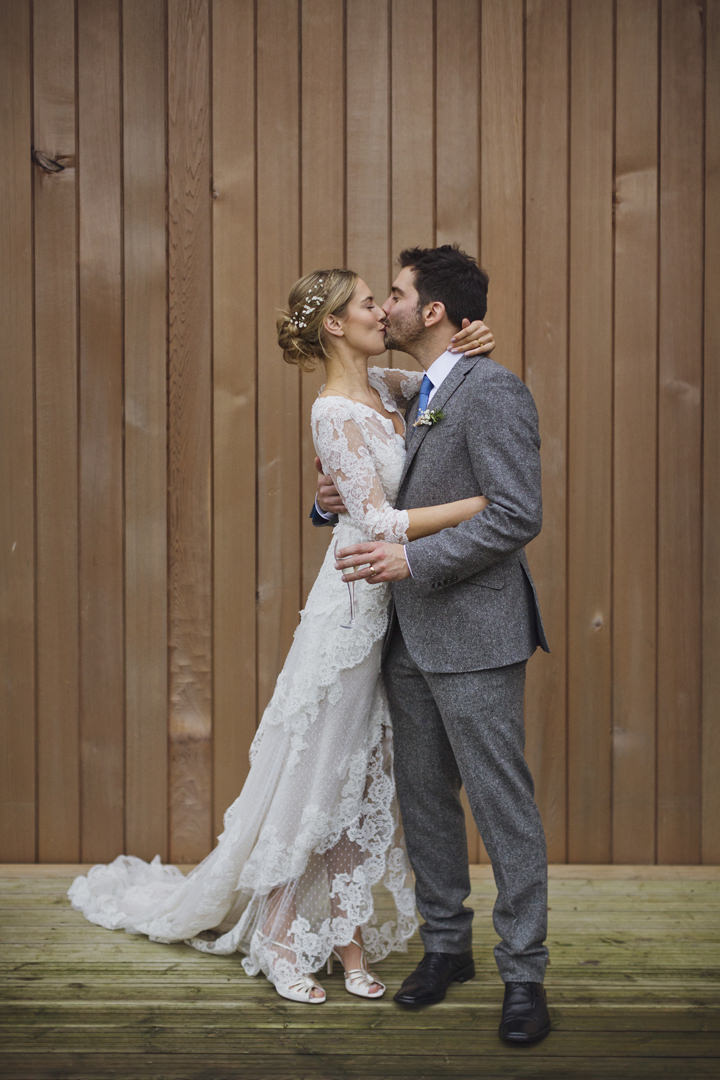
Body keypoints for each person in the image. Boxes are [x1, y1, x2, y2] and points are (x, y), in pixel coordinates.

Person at [68, 267, 494, 1006]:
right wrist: (480, 505)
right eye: (368, 303)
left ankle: (346, 940)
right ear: (334, 324)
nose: (380, 313)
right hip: (355, 608)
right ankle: (278, 933)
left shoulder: (387, 389)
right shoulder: (332, 409)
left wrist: (471, 339)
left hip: (396, 610)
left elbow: (439, 381)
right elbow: (379, 522)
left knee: (363, 779)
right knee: (320, 771)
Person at [318, 244, 552, 1045]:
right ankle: (446, 948)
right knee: (424, 801)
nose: (385, 306)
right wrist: (333, 503)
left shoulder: (492, 392)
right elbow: (378, 477)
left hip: (478, 631)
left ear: (436, 312)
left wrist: (413, 557)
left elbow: (516, 513)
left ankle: (525, 974)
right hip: (405, 633)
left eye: (398, 293)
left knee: (501, 806)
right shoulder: (418, 391)